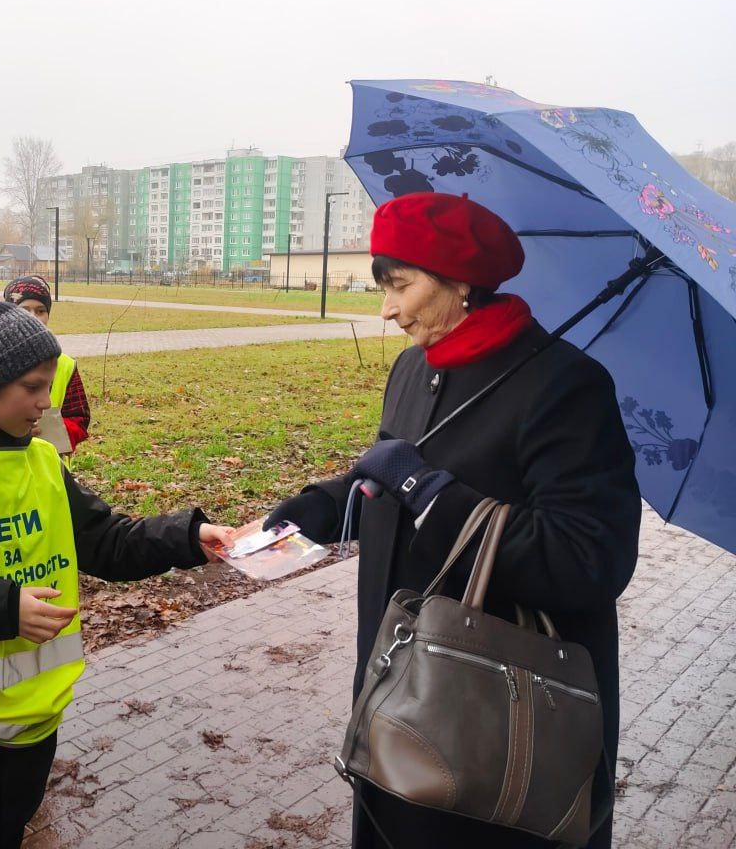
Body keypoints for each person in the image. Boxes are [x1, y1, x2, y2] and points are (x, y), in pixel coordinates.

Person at [265, 192, 640, 849]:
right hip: (397, 696)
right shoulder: (415, 367)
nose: (387, 310)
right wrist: (322, 509)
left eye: (400, 286)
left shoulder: (565, 386)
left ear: (461, 282)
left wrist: (435, 494)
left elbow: (590, 559)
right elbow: (390, 472)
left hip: (494, 727)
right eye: (382, 289)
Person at [0, 300, 234, 849]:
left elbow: (107, 540)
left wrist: (186, 536)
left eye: (48, 385)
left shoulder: (40, 459)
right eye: (32, 387)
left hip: (37, 730)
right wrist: (3, 609)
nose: (46, 402)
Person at [2, 276, 91, 452]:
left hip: (50, 464)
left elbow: (79, 419)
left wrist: (53, 433)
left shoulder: (65, 365)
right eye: (24, 310)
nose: (33, 317)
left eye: (40, 311)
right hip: (3, 461)